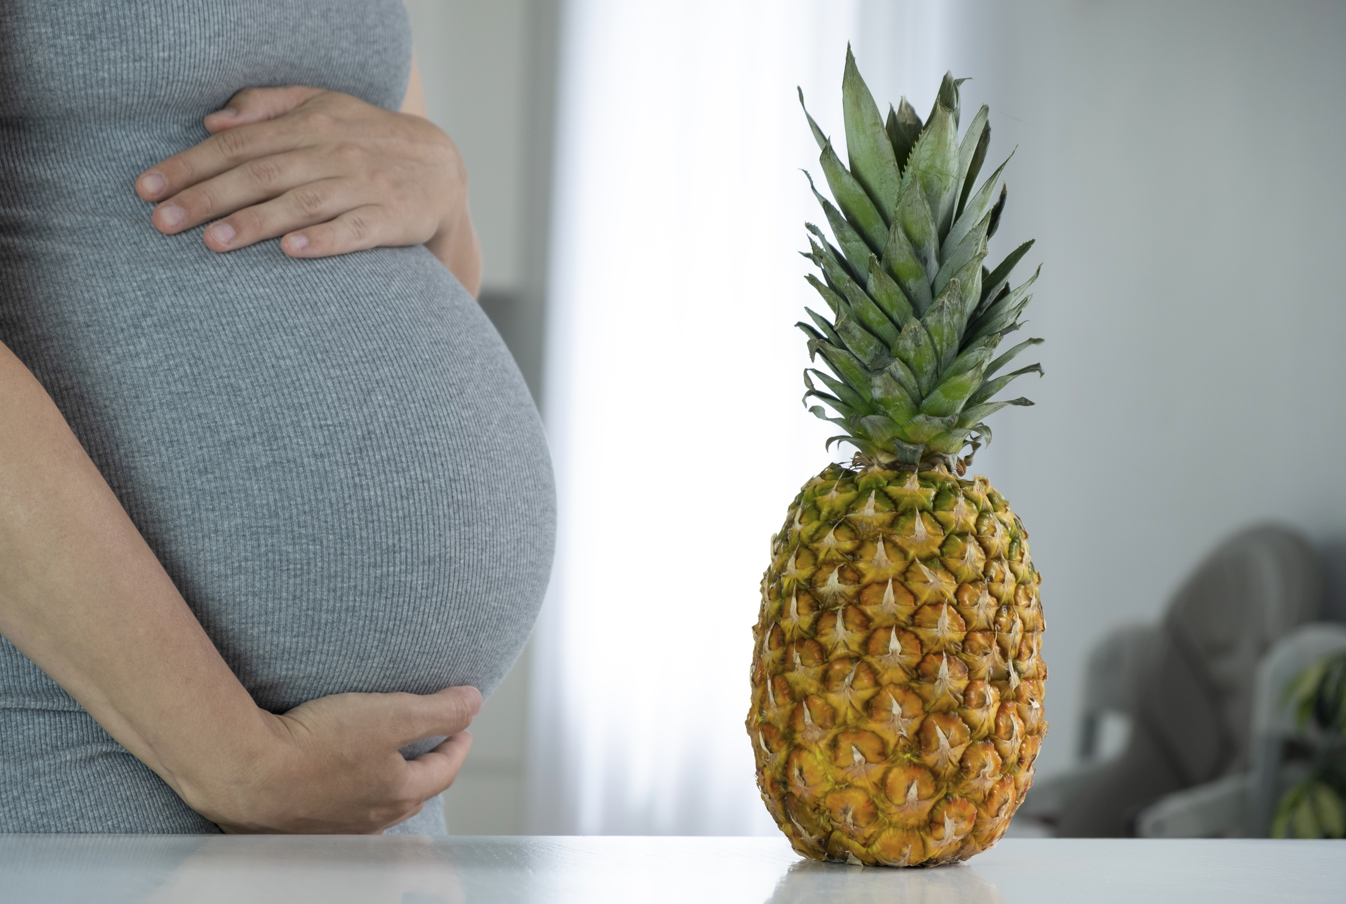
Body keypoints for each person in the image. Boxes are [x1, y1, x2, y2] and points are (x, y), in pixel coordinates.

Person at [0, 0, 555, 834]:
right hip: (85, 726)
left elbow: (427, 266)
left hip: (365, 779)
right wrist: (234, 761)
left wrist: (442, 186)